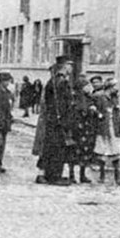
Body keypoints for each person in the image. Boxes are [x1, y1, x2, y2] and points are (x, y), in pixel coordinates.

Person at [37, 58, 75, 186]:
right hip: (58, 121)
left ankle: (50, 175)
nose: (71, 68)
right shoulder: (60, 82)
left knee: (53, 148)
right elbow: (61, 104)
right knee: (57, 149)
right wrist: (66, 120)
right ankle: (54, 176)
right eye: (69, 65)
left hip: (53, 120)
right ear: (64, 67)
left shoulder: (54, 81)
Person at [68, 77, 98, 184]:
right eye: (86, 85)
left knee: (85, 152)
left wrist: (93, 110)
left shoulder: (89, 98)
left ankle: (82, 175)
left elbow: (92, 109)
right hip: (76, 129)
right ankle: (71, 175)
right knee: (73, 152)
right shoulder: (74, 98)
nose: (88, 87)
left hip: (86, 129)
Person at [93, 80, 120, 183]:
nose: (116, 89)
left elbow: (117, 111)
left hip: (113, 127)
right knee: (102, 151)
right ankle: (102, 175)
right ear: (109, 87)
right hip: (103, 127)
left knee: (115, 151)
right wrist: (99, 114)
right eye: (114, 86)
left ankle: (117, 176)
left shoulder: (115, 98)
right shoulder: (100, 97)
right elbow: (94, 107)